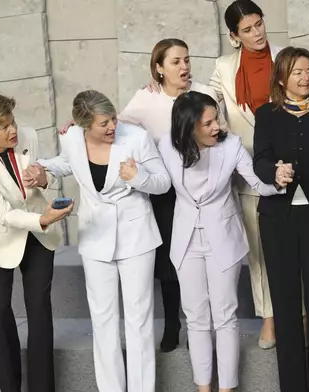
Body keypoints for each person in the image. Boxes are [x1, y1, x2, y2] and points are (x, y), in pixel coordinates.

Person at [36, 90, 171, 392]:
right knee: (103, 323)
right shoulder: (71, 138)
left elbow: (163, 182)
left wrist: (138, 177)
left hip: (136, 238)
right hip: (95, 238)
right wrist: (42, 169)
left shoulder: (136, 137)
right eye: (103, 124)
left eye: (112, 119)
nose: (112, 126)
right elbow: (64, 163)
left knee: (139, 323)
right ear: (85, 125)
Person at [157, 91, 284, 392]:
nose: (218, 127)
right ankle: (203, 388)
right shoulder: (166, 145)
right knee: (196, 318)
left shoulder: (232, 146)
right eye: (209, 122)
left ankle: (227, 389)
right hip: (186, 241)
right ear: (189, 127)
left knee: (225, 317)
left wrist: (278, 181)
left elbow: (257, 183)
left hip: (223, 240)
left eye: (217, 119)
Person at [119, 38, 227, 352]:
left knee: (203, 256)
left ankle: (205, 325)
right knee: (170, 259)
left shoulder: (204, 94)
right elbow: (116, 127)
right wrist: (79, 126)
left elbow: (221, 137)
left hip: (201, 190)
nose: (184, 66)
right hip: (164, 191)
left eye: (187, 59)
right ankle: (172, 324)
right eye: (176, 61)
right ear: (159, 68)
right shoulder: (146, 98)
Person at [0, 93, 72, 392]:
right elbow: (2, 214)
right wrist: (44, 220)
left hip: (38, 234)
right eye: (4, 127)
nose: (13, 130)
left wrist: (44, 180)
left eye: (13, 122)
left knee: (39, 309)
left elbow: (41, 178)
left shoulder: (28, 136)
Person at [253, 46, 309, 392]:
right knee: (286, 305)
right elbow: (259, 161)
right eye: (297, 72)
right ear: (281, 77)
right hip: (278, 218)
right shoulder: (267, 115)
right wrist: (275, 173)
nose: (305, 78)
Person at [209, 0, 290, 349]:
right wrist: (156, 86)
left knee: (297, 249)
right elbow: (201, 102)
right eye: (247, 29)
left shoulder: (286, 57)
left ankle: (300, 314)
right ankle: (269, 318)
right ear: (234, 36)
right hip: (248, 172)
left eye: (259, 24)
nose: (257, 33)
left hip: (291, 166)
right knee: (258, 252)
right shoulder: (224, 67)